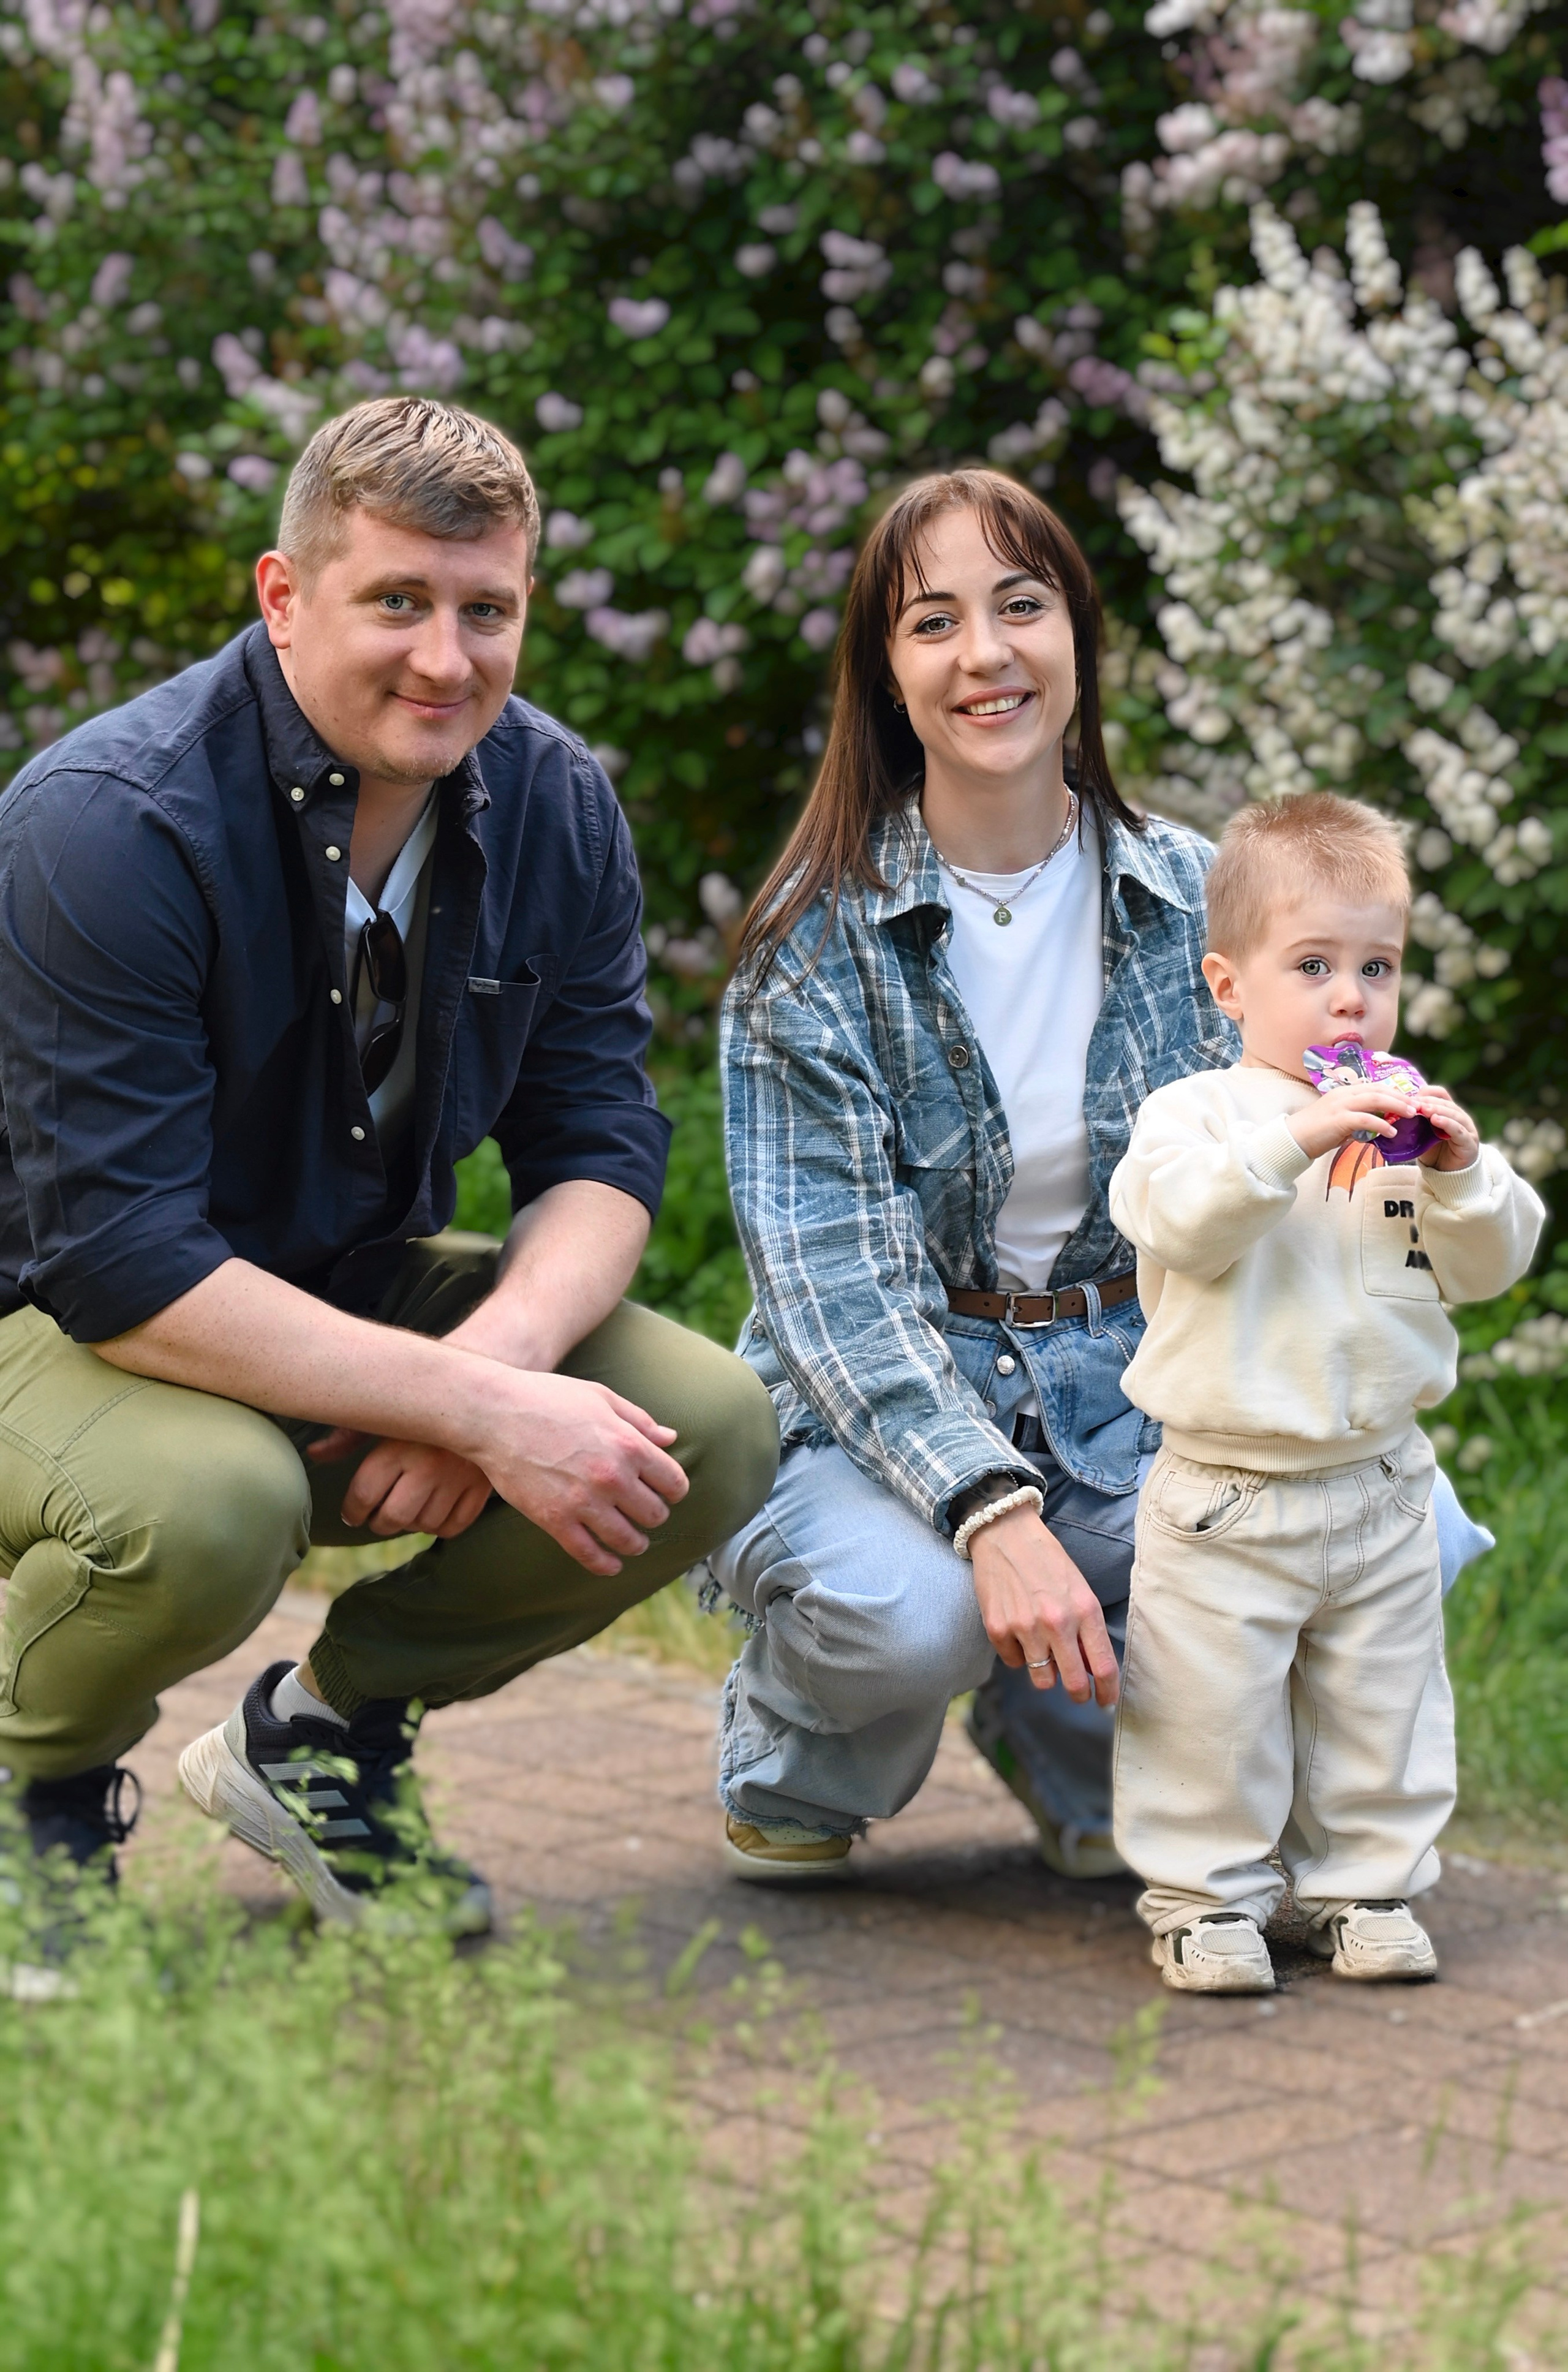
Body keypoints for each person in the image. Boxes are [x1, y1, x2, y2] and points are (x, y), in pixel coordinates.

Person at [0, 396, 778, 1934]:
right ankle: (34, 1795)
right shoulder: (106, 824)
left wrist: (496, 1360)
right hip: (56, 1325)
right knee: (213, 1507)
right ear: (284, 598)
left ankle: (323, 1738)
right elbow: (120, 1259)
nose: (447, 659)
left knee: (698, 1427)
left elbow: (602, 1144)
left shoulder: (555, 804)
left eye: (484, 610)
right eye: (398, 603)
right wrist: (471, 1406)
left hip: (336, 1292)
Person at [704, 467, 1233, 1881]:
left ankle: (1066, 1739)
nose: (985, 653)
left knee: (1400, 1529)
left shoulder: (1202, 902)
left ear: (1077, 638)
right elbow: (834, 1294)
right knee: (912, 1612)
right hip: (874, 1407)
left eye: (1020, 605)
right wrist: (987, 1509)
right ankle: (793, 1762)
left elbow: (1268, 1207)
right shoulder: (806, 951)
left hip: (1129, 1386)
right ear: (885, 674)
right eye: (932, 622)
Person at [1109, 794, 1543, 1993]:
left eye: (1375, 965)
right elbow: (1179, 1223)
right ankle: (1204, 1898)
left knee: (1384, 1705)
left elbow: (1492, 1262)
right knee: (1203, 1712)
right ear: (1227, 983)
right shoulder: (1193, 1119)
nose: (1349, 995)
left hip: (1378, 1482)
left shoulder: (1402, 1131)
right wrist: (1295, 1137)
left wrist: (1458, 1175)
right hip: (1226, 1494)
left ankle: (1365, 1883)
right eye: (1311, 964)